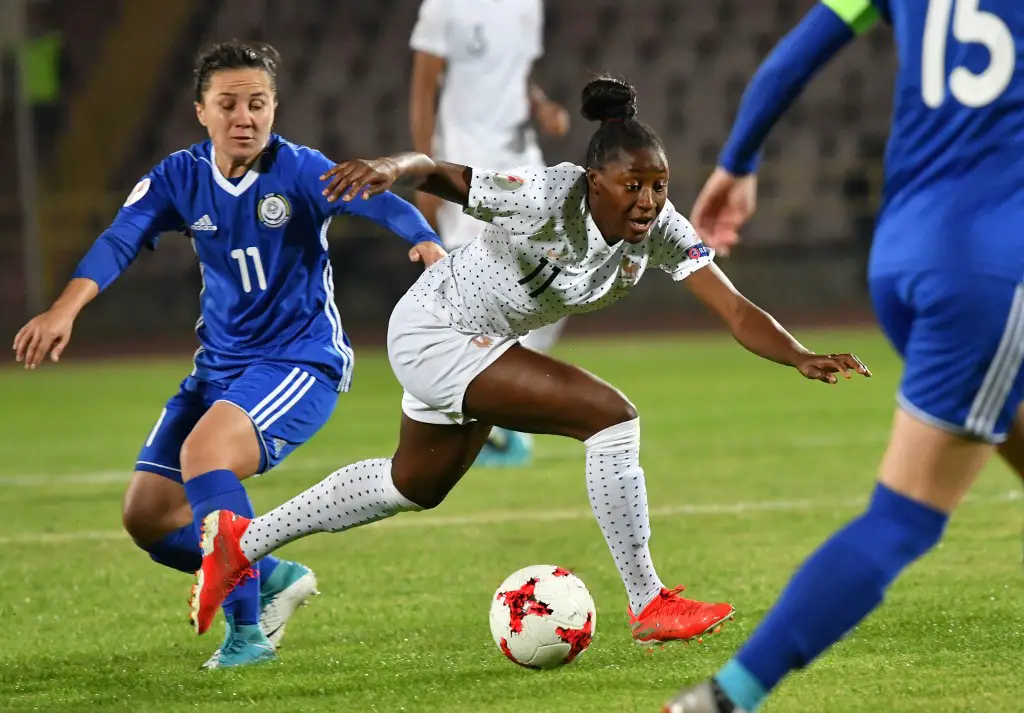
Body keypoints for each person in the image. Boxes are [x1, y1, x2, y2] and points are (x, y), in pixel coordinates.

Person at [186, 75, 869, 647]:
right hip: (437, 328)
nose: (649, 200)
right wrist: (394, 168)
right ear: (594, 180)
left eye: (658, 184)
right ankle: (649, 601)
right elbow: (438, 172)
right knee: (611, 418)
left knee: (411, 485)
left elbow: (736, 308)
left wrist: (799, 354)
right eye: (633, 185)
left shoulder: (658, 228)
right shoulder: (548, 194)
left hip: (471, 343)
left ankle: (239, 546)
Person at [12, 41, 445, 670]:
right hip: (218, 368)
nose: (245, 117)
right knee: (150, 517)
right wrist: (65, 308)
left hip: (300, 362)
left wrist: (425, 240)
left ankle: (248, 637)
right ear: (202, 112)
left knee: (204, 455)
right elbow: (120, 238)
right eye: (229, 104)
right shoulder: (179, 178)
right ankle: (273, 575)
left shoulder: (299, 170)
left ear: (275, 109)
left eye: (258, 103)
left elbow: (378, 198)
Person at [665, 1, 1024, 711]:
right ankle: (723, 697)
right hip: (992, 267)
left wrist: (737, 162)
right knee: (906, 516)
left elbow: (788, 61)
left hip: (901, 254)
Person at [410, 0, 571, 467]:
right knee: (468, 289)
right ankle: (458, 414)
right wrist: (427, 170)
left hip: (522, 159)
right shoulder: (444, 7)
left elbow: (516, 72)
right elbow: (423, 86)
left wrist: (540, 106)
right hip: (467, 162)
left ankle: (495, 403)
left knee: (568, 266)